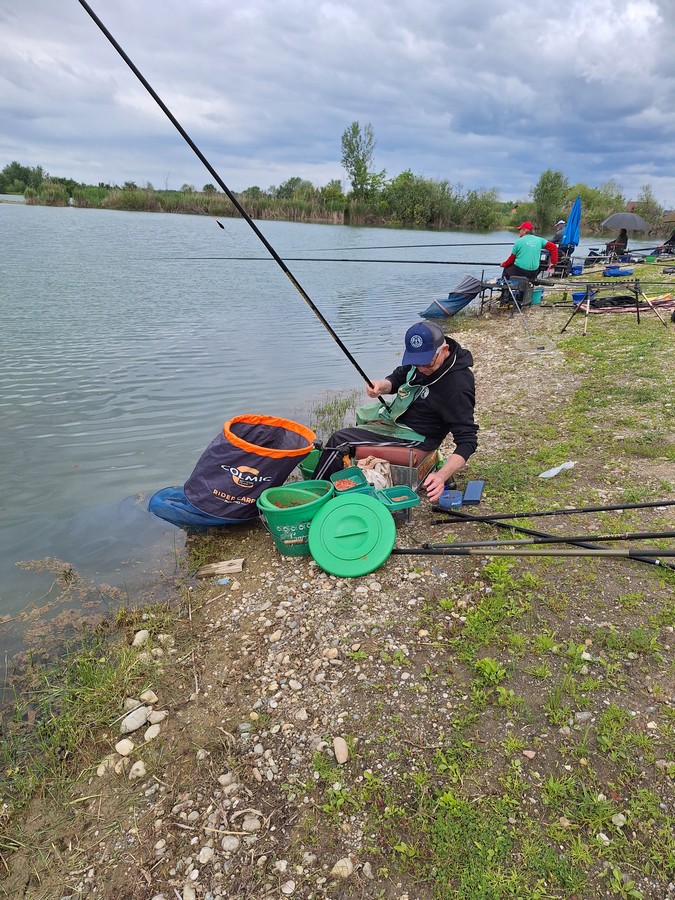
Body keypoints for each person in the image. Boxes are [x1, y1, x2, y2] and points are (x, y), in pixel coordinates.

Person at [313, 322, 478, 503]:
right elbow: (399, 377)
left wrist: (441, 476)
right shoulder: (421, 361)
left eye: (426, 363)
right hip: (399, 422)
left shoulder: (458, 386)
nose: (421, 368)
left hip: (417, 435)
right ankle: (343, 487)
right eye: (415, 362)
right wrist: (381, 386)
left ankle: (316, 496)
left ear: (444, 349)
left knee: (340, 440)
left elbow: (467, 441)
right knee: (363, 416)